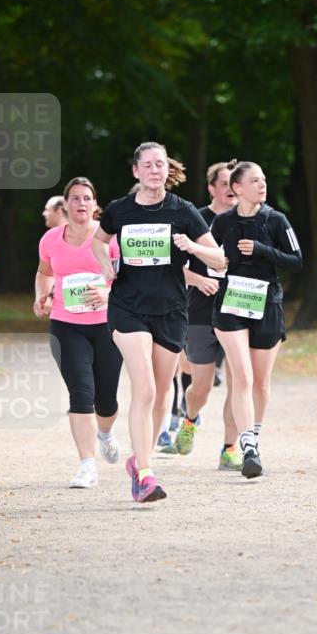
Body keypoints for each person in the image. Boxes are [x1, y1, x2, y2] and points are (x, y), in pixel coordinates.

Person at [93, 141, 225, 503]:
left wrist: (193, 248)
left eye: (161, 165)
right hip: (127, 309)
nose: (155, 170)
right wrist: (105, 260)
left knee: (162, 393)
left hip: (170, 311)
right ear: (136, 171)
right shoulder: (120, 210)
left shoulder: (183, 212)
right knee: (146, 388)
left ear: (168, 171)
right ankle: (146, 476)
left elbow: (220, 261)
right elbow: (98, 240)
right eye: (148, 165)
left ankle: (140, 461)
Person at [211, 161, 302, 479]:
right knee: (242, 377)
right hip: (231, 304)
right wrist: (216, 263)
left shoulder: (276, 220)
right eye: (254, 180)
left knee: (261, 382)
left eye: (263, 179)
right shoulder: (222, 223)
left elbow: (297, 260)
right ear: (236, 188)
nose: (262, 185)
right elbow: (210, 259)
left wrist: (263, 250)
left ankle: (253, 438)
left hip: (267, 303)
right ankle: (247, 448)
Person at [34, 177, 123, 488]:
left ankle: (105, 433)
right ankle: (87, 465)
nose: (81, 203)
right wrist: (41, 295)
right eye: (75, 198)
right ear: (66, 205)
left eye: (87, 198)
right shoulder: (50, 240)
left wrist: (109, 295)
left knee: (106, 401)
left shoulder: (110, 239)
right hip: (66, 326)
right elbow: (45, 272)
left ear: (95, 205)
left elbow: (129, 280)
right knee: (81, 394)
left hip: (107, 326)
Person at [175, 159, 242, 470]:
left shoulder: (249, 218)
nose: (230, 189)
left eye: (235, 183)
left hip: (240, 310)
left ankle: (230, 448)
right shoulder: (195, 219)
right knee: (201, 385)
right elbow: (173, 267)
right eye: (224, 183)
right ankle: (190, 418)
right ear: (212, 187)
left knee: (237, 382)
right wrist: (199, 280)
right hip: (201, 311)